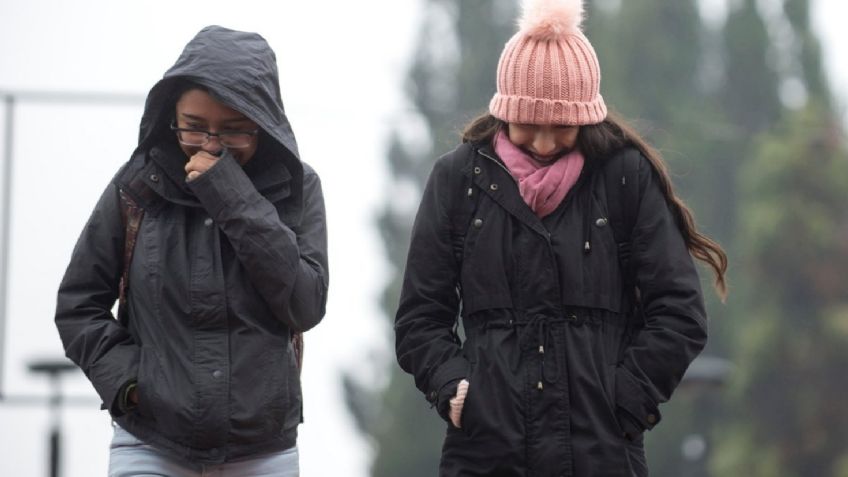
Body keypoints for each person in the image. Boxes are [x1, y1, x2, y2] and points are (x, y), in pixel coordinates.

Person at [394, 0, 728, 475]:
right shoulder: (457, 181)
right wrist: (455, 389)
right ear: (504, 110)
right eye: (529, 125)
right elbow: (420, 319)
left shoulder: (624, 177)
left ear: (587, 117)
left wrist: (627, 402)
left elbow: (679, 312)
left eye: (562, 127)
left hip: (602, 453)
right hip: (487, 454)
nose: (545, 143)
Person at [54, 25, 328, 476]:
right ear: (170, 116)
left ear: (263, 123)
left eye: (235, 131)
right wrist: (131, 384)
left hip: (263, 451)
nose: (211, 145)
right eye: (194, 128)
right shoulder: (136, 187)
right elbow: (78, 305)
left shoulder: (297, 189)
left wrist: (231, 194)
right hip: (150, 443)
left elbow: (305, 304)